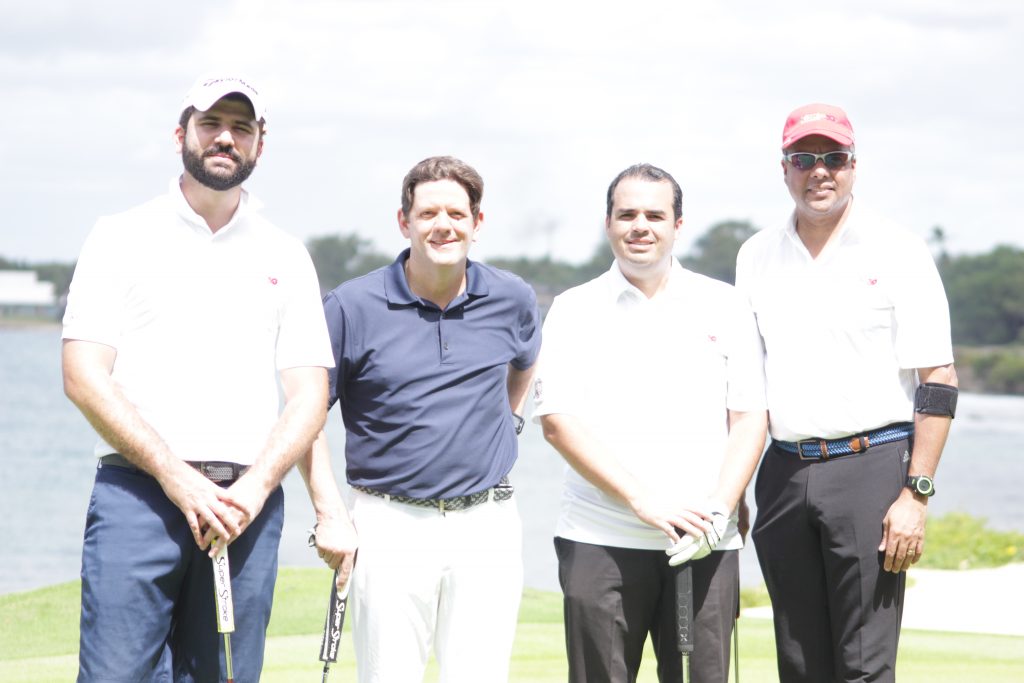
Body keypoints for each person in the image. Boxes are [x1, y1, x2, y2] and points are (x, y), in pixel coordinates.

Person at [62, 74, 345, 682]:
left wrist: (257, 487)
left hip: (246, 508)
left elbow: (310, 393)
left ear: (260, 143)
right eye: (211, 123)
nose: (225, 138)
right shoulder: (119, 235)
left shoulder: (286, 253)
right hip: (138, 495)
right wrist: (175, 476)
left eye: (241, 127)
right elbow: (84, 375)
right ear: (180, 135)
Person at [736, 103, 958, 682]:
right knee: (798, 664)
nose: (820, 171)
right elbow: (745, 387)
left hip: (872, 469)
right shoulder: (755, 254)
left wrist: (916, 495)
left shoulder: (899, 249)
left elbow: (938, 379)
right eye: (804, 159)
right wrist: (731, 488)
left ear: (854, 165)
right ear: (784, 168)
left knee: (864, 666)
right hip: (783, 473)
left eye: (834, 158)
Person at [309, 155, 541, 682]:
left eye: (457, 214)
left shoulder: (512, 298)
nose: (444, 225)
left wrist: (509, 421)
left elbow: (525, 363)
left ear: (477, 223)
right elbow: (307, 416)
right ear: (404, 221)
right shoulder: (351, 306)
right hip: (389, 524)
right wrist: (329, 514)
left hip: (487, 525)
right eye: (429, 213)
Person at [534, 163, 768, 683]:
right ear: (608, 223)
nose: (640, 226)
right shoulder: (573, 308)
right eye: (627, 215)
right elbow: (557, 422)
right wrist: (644, 502)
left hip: (705, 539)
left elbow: (750, 417)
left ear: (677, 225)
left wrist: (720, 509)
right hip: (599, 536)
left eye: (655, 215)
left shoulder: (725, 305)